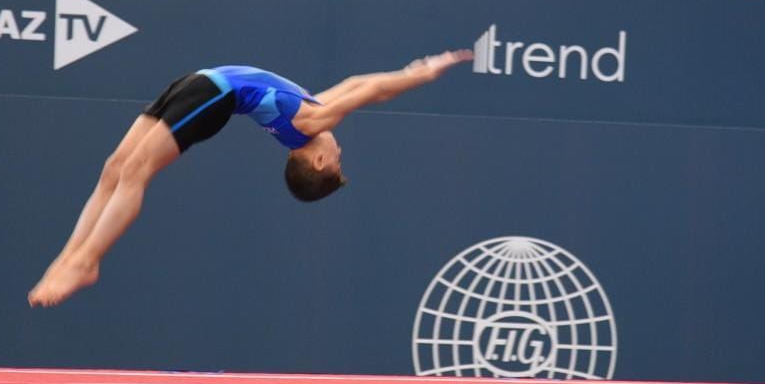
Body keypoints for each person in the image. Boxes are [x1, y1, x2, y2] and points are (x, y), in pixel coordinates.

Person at [27, 51, 474, 307]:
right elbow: (360, 82)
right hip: (198, 83)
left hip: (215, 95)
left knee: (135, 172)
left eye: (338, 162)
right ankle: (70, 257)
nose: (340, 153)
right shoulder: (309, 116)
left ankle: (86, 261)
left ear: (317, 163)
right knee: (114, 167)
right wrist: (412, 72)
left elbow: (370, 91)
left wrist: (418, 75)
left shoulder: (311, 122)